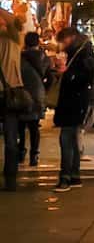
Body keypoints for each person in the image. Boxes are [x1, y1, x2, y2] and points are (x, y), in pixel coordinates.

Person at [53, 27, 94, 189]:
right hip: (74, 101)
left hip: (75, 102)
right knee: (71, 139)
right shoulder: (79, 52)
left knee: (66, 138)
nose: (62, 44)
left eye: (63, 40)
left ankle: (65, 177)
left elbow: (86, 76)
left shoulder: (83, 53)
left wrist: (67, 73)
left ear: (71, 37)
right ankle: (74, 175)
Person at [2, 24, 32, 191]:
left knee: (11, 139)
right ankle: (10, 178)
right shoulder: (14, 41)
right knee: (11, 139)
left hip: (7, 93)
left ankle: (10, 177)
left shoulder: (12, 40)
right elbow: (14, 21)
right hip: (11, 93)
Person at [21, 32, 52, 167]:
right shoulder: (44, 58)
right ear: (37, 42)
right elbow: (50, 77)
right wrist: (44, 88)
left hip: (22, 93)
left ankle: (21, 153)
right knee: (34, 127)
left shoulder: (20, 57)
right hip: (38, 94)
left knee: (20, 126)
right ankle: (34, 155)